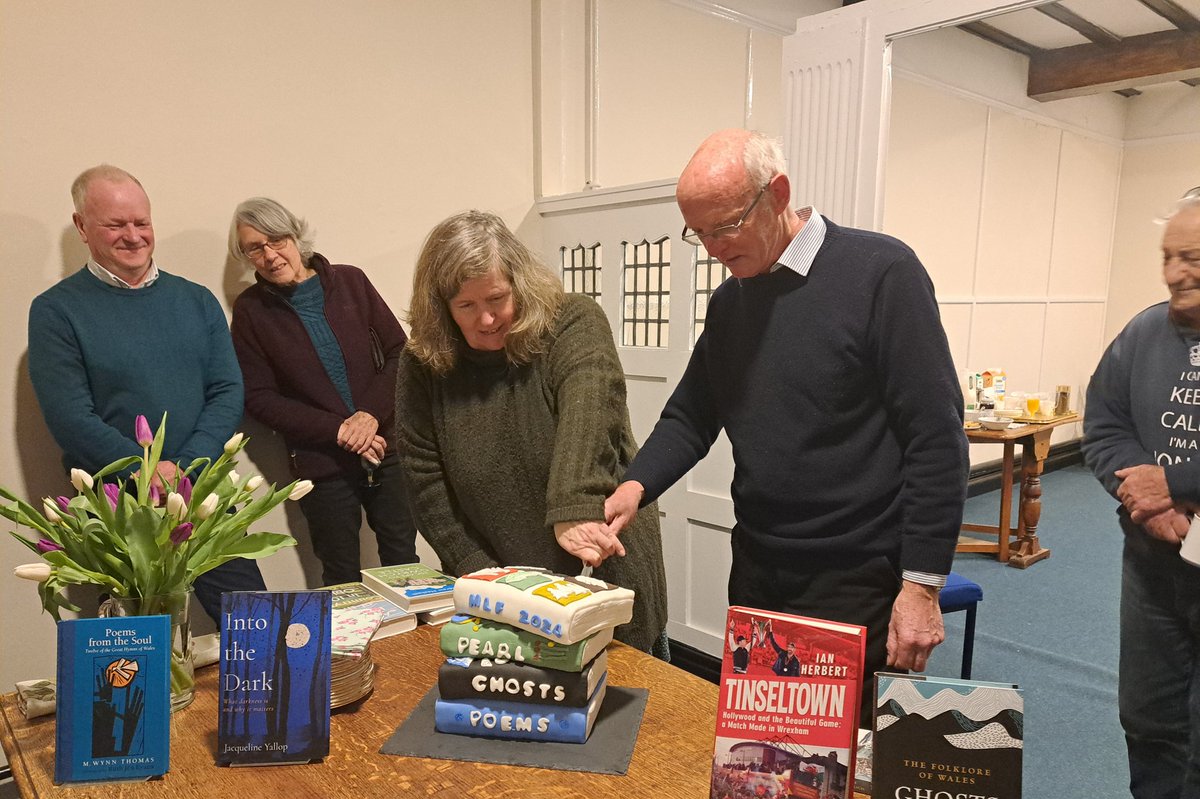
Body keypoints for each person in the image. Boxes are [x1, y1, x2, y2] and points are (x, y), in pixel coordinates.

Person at [605, 129, 969, 722]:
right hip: (759, 567)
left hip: (856, 572)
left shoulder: (882, 273)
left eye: (725, 227)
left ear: (778, 193)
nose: (713, 248)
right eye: (698, 234)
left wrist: (922, 586)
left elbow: (936, 438)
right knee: (757, 760)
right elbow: (692, 414)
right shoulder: (732, 303)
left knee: (842, 763)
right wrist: (635, 485)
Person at [396, 210, 668, 657]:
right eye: (466, 306)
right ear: (441, 309)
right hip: (501, 584)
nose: (486, 319)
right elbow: (424, 479)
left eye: (497, 299)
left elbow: (592, 409)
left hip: (598, 562)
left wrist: (574, 506)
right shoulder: (423, 363)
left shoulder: (571, 320)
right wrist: (480, 574)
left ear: (519, 285)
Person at [27, 165, 266, 622]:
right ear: (82, 226)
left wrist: (185, 469)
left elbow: (227, 390)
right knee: (133, 653)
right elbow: (70, 417)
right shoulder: (56, 312)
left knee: (252, 628)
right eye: (116, 225)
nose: (133, 236)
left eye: (142, 222)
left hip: (204, 493)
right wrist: (147, 471)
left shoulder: (197, 300)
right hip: (117, 508)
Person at [1080, 187, 1200, 799]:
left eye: (1194, 258)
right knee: (1149, 708)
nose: (1176, 273)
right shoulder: (1143, 334)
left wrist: (1178, 479)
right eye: (1168, 257)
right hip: (1154, 563)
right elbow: (1106, 424)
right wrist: (1137, 494)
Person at [228, 198, 418, 586]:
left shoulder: (351, 281)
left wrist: (368, 417)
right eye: (255, 247)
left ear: (295, 235)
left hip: (387, 445)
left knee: (404, 564)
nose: (269, 254)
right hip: (321, 462)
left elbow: (402, 354)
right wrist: (340, 431)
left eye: (277, 239)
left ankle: (412, 648)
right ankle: (352, 650)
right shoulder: (250, 311)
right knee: (340, 575)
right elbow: (259, 397)